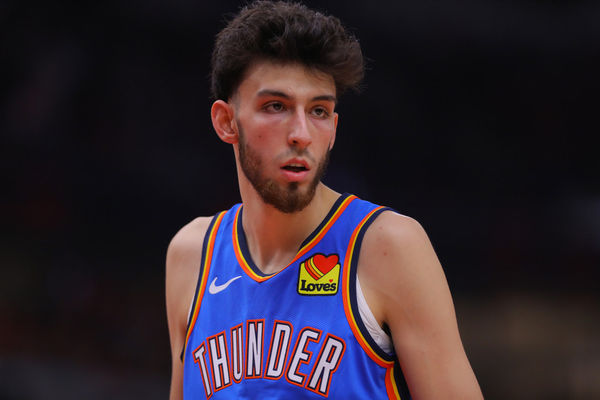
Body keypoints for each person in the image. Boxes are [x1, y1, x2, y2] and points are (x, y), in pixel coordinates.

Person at [166, 1, 483, 398]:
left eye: (318, 111)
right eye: (276, 107)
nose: (300, 133)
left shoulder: (388, 246)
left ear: (333, 129)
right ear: (226, 121)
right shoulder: (191, 255)